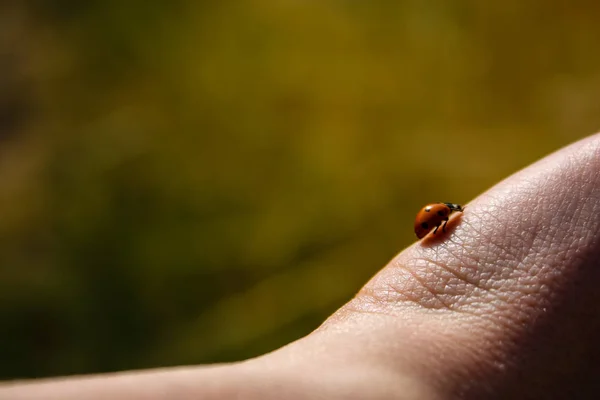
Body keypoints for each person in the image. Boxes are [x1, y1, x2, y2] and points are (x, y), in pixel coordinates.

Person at [3, 133, 600, 400]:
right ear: (443, 217)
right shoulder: (445, 224)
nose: (447, 219)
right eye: (446, 217)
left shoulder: (442, 222)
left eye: (443, 217)